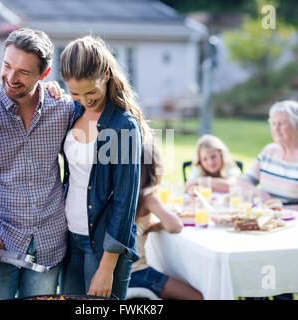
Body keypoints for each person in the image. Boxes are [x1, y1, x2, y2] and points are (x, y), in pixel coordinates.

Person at [0, 28, 75, 299]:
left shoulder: (64, 109)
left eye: (24, 72)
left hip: (50, 243)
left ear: (44, 73)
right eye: (7, 65)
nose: (11, 77)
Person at [58, 35, 146, 299]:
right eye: (75, 92)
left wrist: (107, 267)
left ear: (106, 75)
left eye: (91, 92)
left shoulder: (123, 127)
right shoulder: (72, 111)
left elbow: (125, 202)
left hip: (104, 248)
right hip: (70, 239)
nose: (85, 100)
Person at [129, 141, 203, 300]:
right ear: (155, 168)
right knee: (197, 297)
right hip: (137, 273)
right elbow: (175, 226)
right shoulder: (148, 197)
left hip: (117, 272)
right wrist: (164, 223)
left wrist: (156, 225)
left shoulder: (124, 192)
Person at [238, 100, 298, 222]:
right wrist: (259, 193)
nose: (276, 128)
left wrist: (284, 211)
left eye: (281, 124)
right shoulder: (269, 151)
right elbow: (242, 181)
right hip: (269, 220)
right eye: (274, 123)